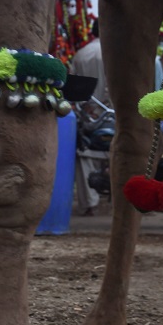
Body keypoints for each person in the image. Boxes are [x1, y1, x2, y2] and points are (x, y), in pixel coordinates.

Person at [69, 19, 109, 216]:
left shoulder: (81, 55)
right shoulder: (119, 53)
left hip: (91, 115)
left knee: (85, 156)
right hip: (117, 115)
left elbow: (74, 93)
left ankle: (90, 205)